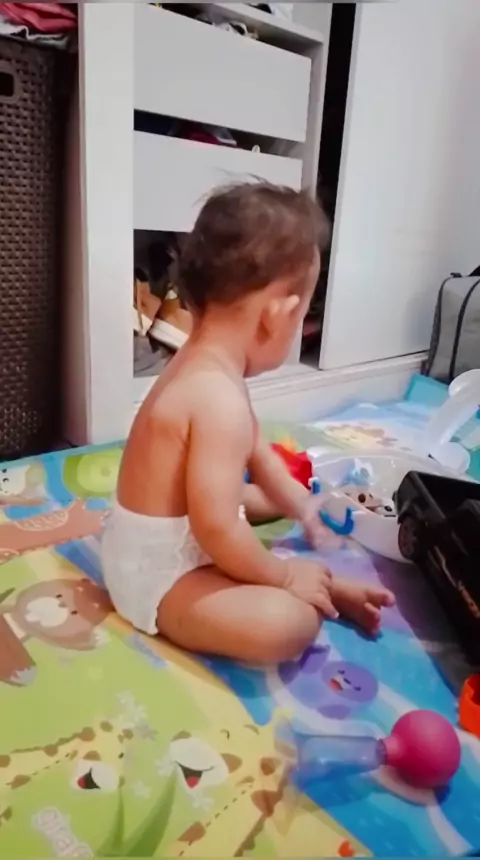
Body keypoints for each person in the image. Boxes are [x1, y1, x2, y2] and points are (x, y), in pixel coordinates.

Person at [102, 183, 394, 663]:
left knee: (256, 499)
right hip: (160, 576)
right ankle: (310, 589)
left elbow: (257, 451)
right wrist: (285, 576)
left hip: (172, 534)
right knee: (289, 623)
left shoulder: (201, 362)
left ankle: (312, 583)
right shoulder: (218, 398)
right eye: (303, 315)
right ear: (278, 316)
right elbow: (217, 531)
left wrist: (301, 505)